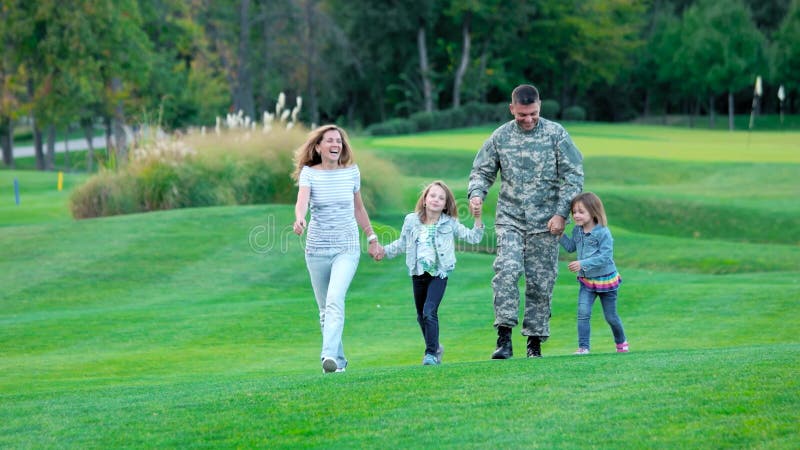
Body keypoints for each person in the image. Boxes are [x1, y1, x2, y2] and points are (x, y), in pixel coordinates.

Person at [468, 84, 584, 359]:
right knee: (506, 272)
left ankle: (534, 343)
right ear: (512, 109)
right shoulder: (500, 137)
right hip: (510, 218)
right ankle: (504, 338)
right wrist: (476, 194)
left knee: (540, 282)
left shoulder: (556, 135)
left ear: (540, 106)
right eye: (522, 115)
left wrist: (561, 214)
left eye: (532, 113)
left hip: (547, 222)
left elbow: (574, 176)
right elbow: (481, 171)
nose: (528, 119)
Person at [292, 124, 383, 373]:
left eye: (339, 141)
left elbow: (359, 209)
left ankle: (327, 356)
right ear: (318, 147)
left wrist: (372, 237)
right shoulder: (309, 174)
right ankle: (338, 363)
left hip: (347, 247)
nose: (336, 145)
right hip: (317, 250)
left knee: (334, 299)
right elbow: (302, 202)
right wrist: (300, 218)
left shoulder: (351, 172)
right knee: (325, 310)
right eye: (330, 141)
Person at [382, 180, 484, 365]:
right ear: (424, 200)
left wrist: (477, 218)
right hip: (418, 273)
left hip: (439, 273)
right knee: (421, 315)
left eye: (441, 198)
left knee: (429, 311)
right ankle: (436, 346)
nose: (436, 199)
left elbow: (473, 237)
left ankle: (430, 354)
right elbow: (401, 244)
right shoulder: (411, 221)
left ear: (446, 204)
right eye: (432, 196)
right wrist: (383, 251)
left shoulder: (450, 223)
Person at [559, 192, 628, 355]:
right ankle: (583, 347)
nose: (576, 215)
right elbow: (570, 247)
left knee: (611, 317)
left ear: (593, 211)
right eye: (574, 212)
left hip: (606, 280)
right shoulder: (577, 231)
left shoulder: (603, 232)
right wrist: (560, 235)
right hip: (587, 282)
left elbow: (605, 257)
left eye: (581, 211)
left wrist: (582, 263)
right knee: (583, 313)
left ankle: (621, 343)